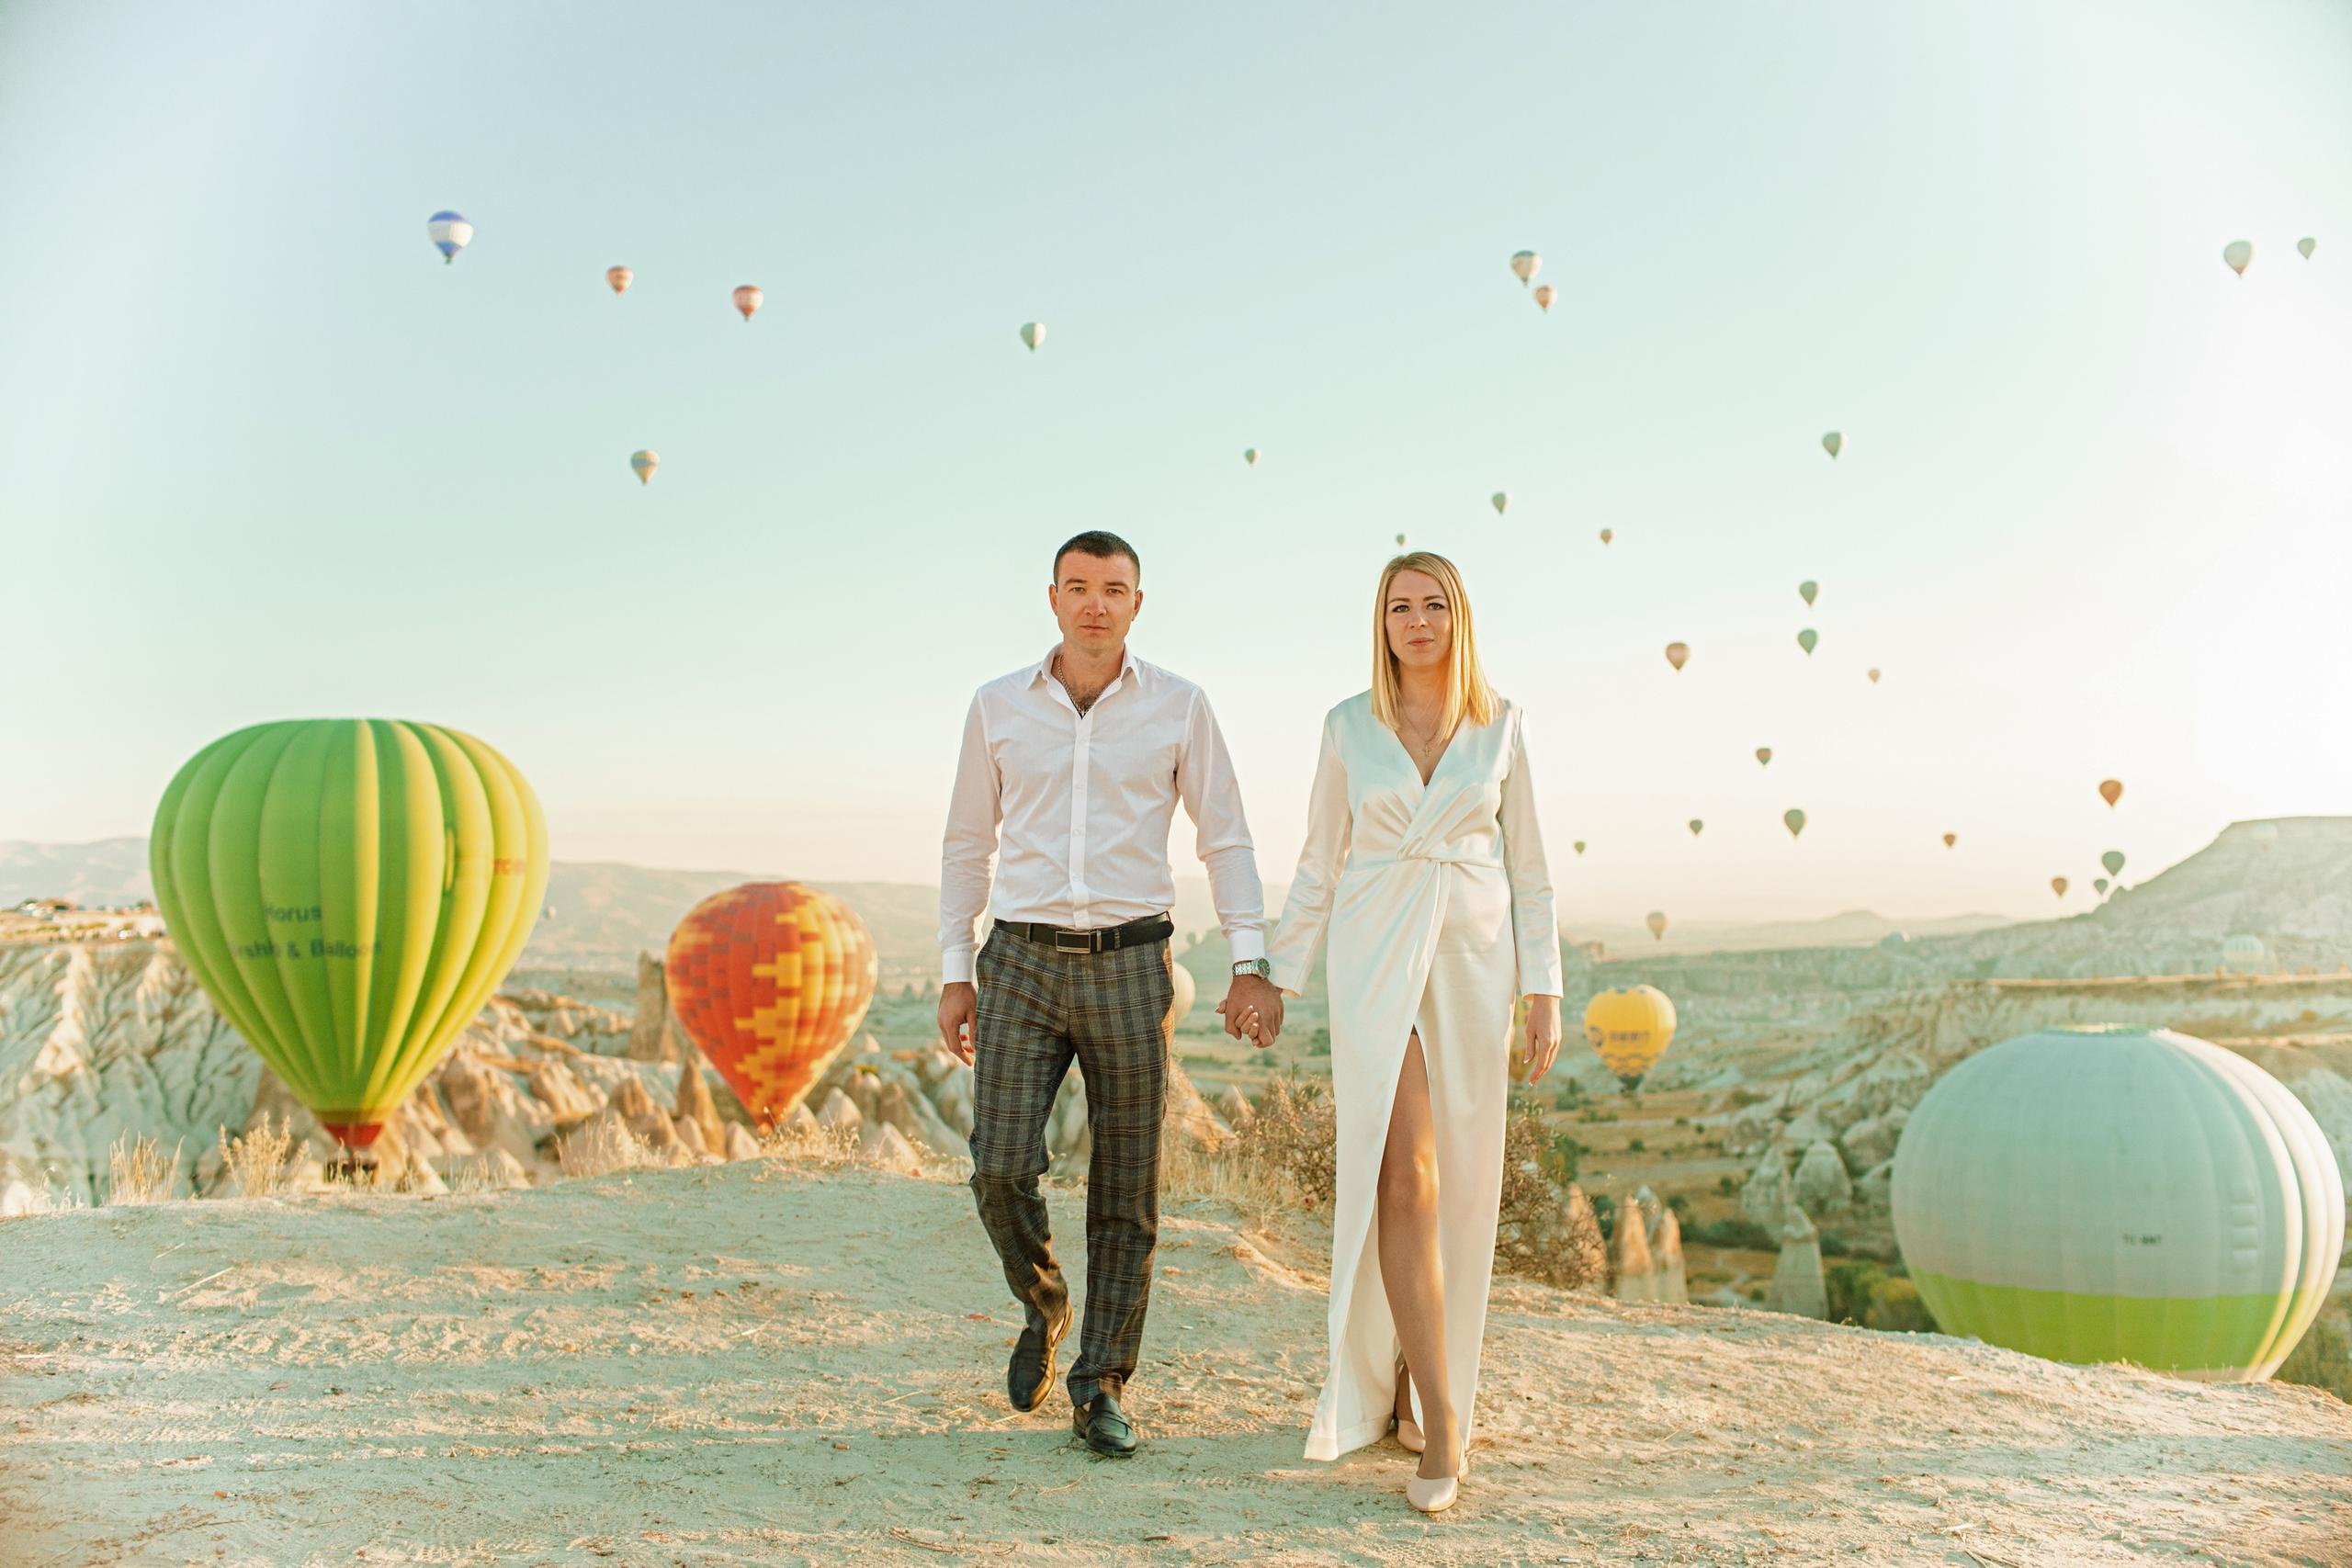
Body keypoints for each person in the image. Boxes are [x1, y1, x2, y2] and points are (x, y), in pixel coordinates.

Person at [936, 529, 1285, 1459]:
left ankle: (1099, 1383)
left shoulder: (1179, 706)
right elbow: (967, 843)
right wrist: (952, 969)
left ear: (1138, 603)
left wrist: (1249, 958)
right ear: (1051, 597)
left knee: (1125, 1189)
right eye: (1079, 587)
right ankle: (1043, 1299)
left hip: (1135, 963)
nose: (1096, 603)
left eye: (1115, 589)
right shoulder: (996, 706)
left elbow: (1227, 838)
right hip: (1019, 960)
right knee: (999, 1164)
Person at [1245, 549, 1564, 1514]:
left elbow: (1532, 867)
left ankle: (1417, 1392)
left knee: (1462, 1183)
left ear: (1457, 618)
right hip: (1375, 951)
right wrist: (1275, 974)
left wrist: (1542, 987)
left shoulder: (1501, 723)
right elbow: (1317, 863)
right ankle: (1440, 1411)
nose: (1416, 621)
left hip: (1473, 963)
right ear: (1380, 623)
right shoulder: (1349, 725)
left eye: (1433, 606)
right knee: (1403, 1178)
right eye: (1399, 607)